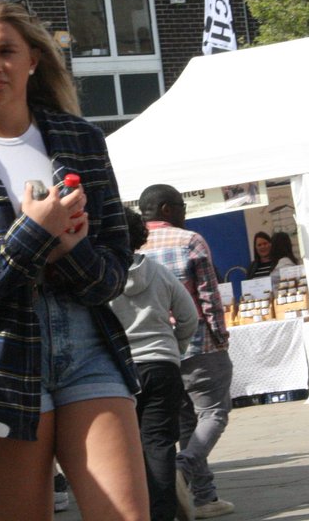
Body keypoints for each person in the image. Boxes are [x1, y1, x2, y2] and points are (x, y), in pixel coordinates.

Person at [0, 0, 148, 521]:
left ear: (33, 60)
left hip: (87, 344)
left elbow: (112, 272)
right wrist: (34, 234)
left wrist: (70, 247)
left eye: (6, 51)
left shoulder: (80, 140)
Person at [138, 185, 235, 520]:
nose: (184, 211)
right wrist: (220, 336)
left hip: (157, 352)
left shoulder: (130, 248)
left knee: (183, 422)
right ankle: (185, 467)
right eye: (181, 205)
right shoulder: (189, 240)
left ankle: (205, 497)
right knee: (214, 413)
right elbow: (208, 294)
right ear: (166, 209)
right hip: (198, 343)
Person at [111, 207, 198, 521]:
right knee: (160, 444)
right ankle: (162, 515)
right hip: (162, 366)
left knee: (124, 449)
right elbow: (189, 318)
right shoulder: (159, 272)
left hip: (118, 372)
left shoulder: (102, 278)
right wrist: (174, 349)